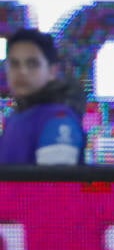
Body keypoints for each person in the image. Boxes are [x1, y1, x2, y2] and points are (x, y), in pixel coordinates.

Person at [0, 28, 87, 166]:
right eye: (14, 64)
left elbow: (55, 185)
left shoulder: (59, 119)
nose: (22, 72)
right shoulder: (13, 118)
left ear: (52, 71)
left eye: (32, 64)